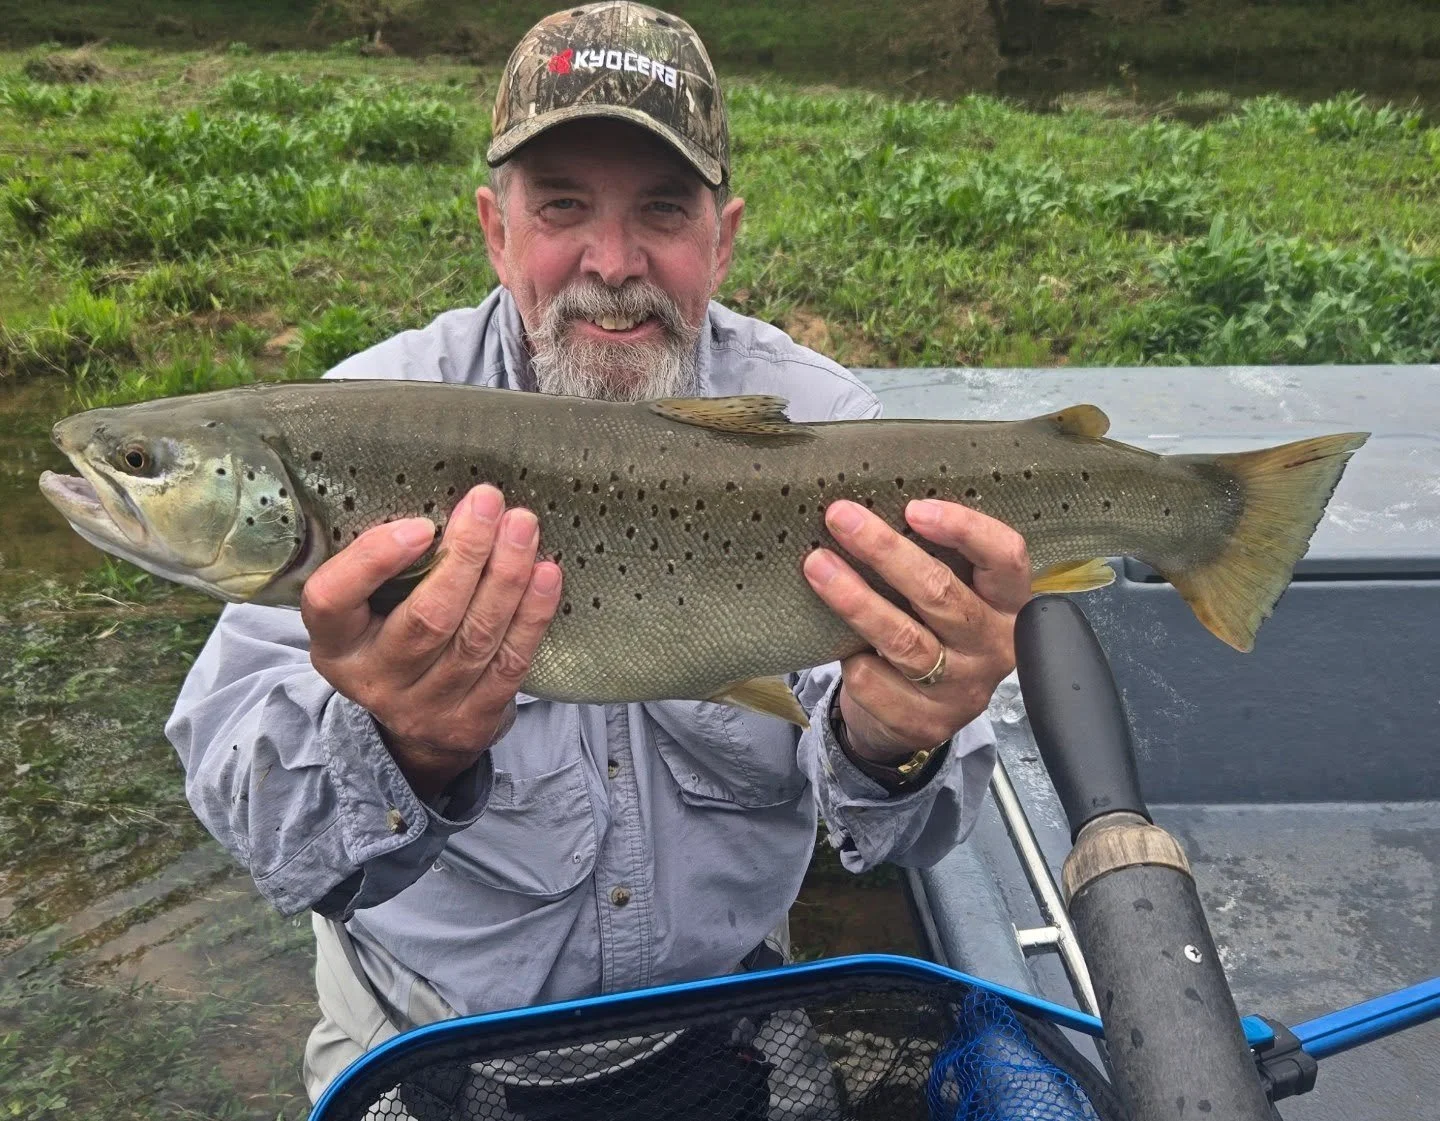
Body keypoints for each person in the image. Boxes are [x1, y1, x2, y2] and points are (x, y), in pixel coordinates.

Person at [165, 3, 1029, 1114]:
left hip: (732, 1016)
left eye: (662, 208)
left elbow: (914, 827)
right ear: (496, 229)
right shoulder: (356, 426)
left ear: (722, 238)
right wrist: (399, 749)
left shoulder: (821, 431)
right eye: (563, 205)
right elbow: (254, 821)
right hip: (425, 1039)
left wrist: (894, 742)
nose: (613, 264)